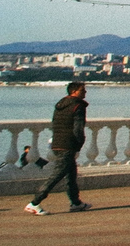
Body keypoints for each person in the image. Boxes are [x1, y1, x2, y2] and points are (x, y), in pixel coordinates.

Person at [26, 80, 93, 215]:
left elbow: (55, 123)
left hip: (57, 142)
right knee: (58, 174)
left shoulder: (60, 105)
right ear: (74, 91)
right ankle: (34, 202)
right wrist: (79, 143)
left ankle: (76, 202)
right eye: (83, 90)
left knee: (71, 174)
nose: (85, 92)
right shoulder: (78, 106)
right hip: (68, 144)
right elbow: (78, 128)